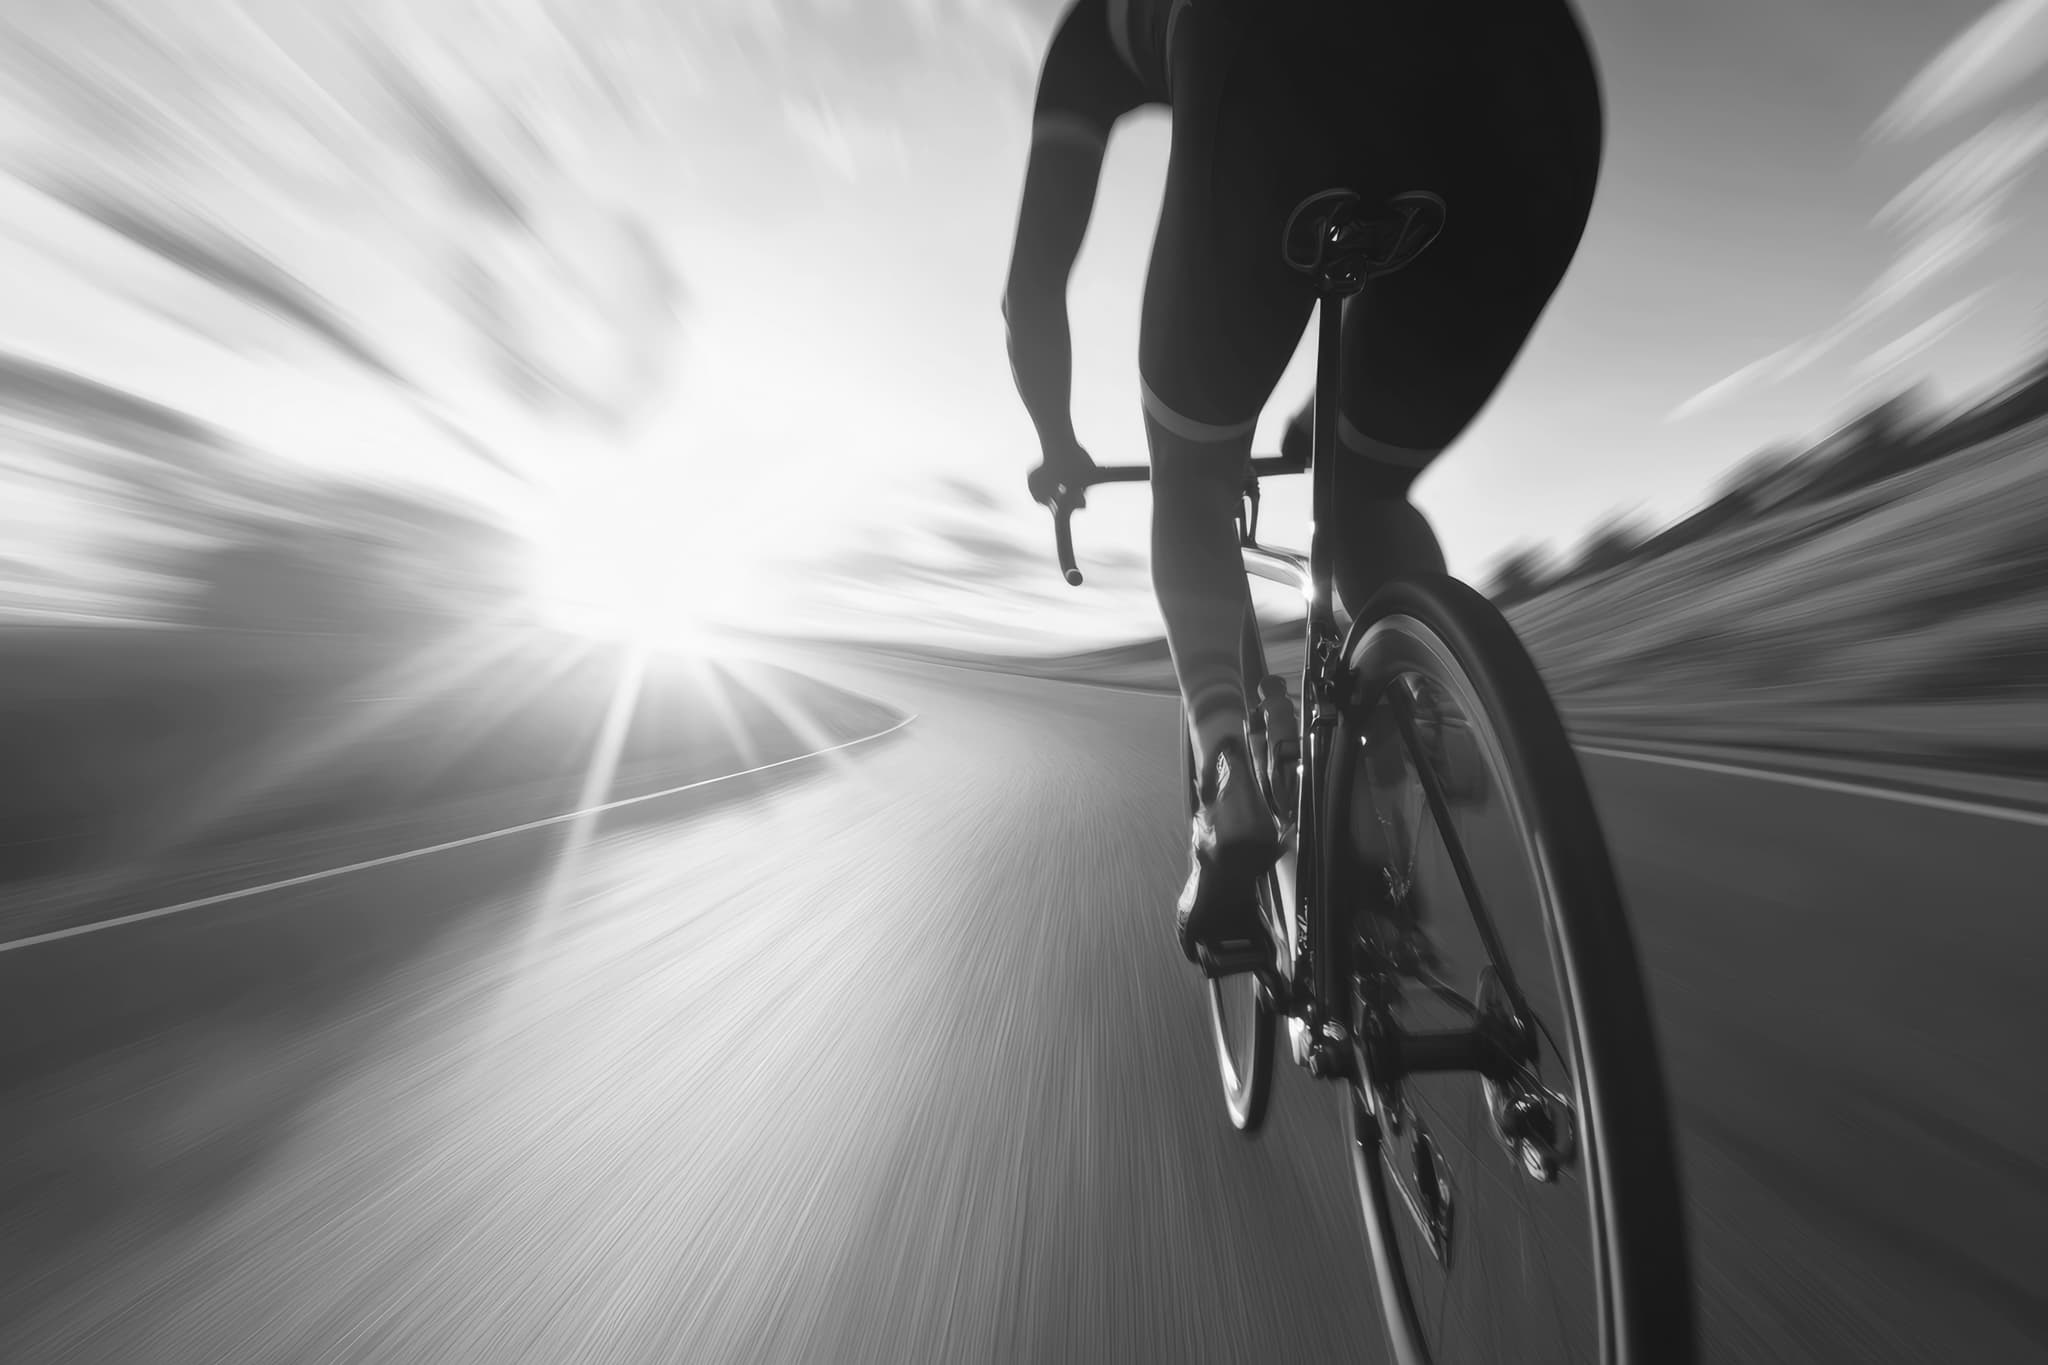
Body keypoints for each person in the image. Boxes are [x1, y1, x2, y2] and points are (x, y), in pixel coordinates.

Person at [1002, 0, 1603, 967]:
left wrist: (1059, 441)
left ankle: (1229, 777)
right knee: (1363, 486)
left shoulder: (1089, 36)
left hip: (1273, 58)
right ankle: (1403, 755)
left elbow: (1031, 289)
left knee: (1190, 482)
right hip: (1542, 85)